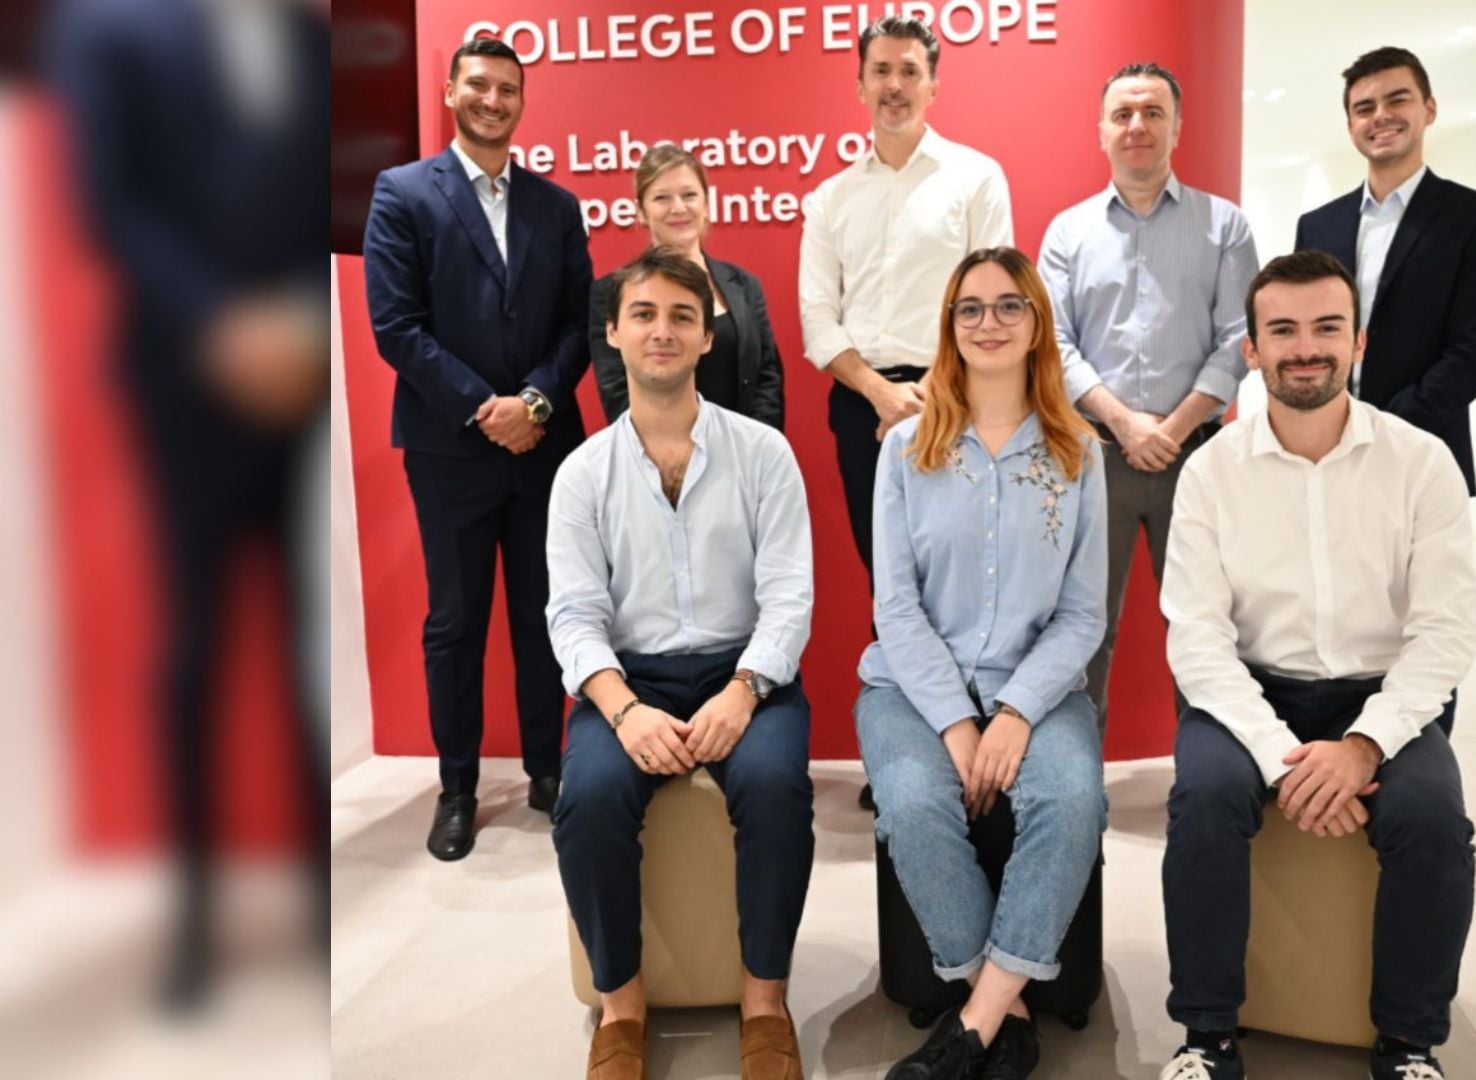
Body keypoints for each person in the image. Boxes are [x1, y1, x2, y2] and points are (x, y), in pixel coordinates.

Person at [45, 0, 331, 1008]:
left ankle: (317, 904)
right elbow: (108, 202)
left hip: (297, 381)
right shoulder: (110, 31)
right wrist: (220, 325)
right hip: (183, 382)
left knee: (302, 643)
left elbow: (317, 198)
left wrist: (302, 325)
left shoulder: (305, 39)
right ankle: (196, 921)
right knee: (195, 647)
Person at [1157, 252, 1476, 1080]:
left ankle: (1409, 1043)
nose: (1306, 348)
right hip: (1249, 691)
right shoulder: (1210, 471)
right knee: (1204, 800)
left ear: (1358, 341)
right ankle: (1205, 1038)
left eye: (1327, 328)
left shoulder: (1421, 462)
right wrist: (1284, 760)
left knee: (1434, 822)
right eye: (1283, 331)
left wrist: (1364, 748)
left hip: (1381, 694)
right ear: (1252, 350)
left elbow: (1445, 633)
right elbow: (1197, 639)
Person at [547, 249, 815, 1080]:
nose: (662, 330)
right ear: (615, 333)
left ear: (706, 338)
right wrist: (623, 710)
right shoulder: (581, 473)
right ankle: (621, 1010)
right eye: (645, 315)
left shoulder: (764, 454)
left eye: (682, 317)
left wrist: (745, 690)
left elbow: (789, 597)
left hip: (747, 673)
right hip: (628, 679)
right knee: (588, 800)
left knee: (775, 789)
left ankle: (764, 1004)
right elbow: (574, 614)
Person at [858, 248, 1108, 1080]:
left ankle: (973, 1027)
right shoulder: (904, 449)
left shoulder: (1079, 453)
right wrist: (956, 723)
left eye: (1009, 306)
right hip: (910, 687)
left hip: (1039, 688)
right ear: (949, 326)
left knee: (1073, 801)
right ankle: (1008, 1012)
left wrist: (1017, 711)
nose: (988, 322)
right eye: (970, 308)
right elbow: (896, 609)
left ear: (1037, 324)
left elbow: (1082, 615)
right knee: (913, 804)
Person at [363, 35, 593, 860]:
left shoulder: (555, 206)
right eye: (479, 86)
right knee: (456, 622)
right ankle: (457, 788)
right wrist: (483, 408)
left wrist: (534, 402)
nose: (493, 100)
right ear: (452, 93)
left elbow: (579, 324)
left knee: (545, 616)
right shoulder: (402, 193)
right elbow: (396, 327)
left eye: (508, 89)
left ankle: (548, 772)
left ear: (522, 101)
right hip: (449, 449)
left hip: (544, 444)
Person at [1037, 61, 1258, 739]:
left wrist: (1173, 428)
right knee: (1083, 630)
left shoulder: (1225, 226)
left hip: (1197, 456)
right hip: (1091, 456)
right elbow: (1053, 344)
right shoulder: (1068, 232)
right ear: (1101, 130)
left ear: (1177, 128)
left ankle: (1207, 777)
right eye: (1123, 114)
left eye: (1153, 113)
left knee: (1202, 631)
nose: (1137, 126)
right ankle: (1075, 781)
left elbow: (1239, 339)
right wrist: (1126, 423)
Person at [799, 14, 1014, 584]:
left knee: (966, 578)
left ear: (933, 86)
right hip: (861, 409)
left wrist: (931, 398)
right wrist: (881, 395)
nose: (894, 85)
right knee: (887, 580)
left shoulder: (976, 179)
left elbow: (994, 307)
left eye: (910, 71)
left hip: (959, 400)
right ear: (860, 86)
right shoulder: (830, 198)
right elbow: (818, 320)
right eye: (881, 71)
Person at [1295, 46, 1476, 495]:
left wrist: (1385, 428)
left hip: (1423, 449)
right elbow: (1304, 335)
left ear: (1429, 109)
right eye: (1364, 108)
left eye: (1397, 99)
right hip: (1323, 449)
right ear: (1350, 126)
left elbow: (1475, 350)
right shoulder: (1317, 225)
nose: (1381, 116)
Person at [587, 144, 785, 429]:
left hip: (746, 449)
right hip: (658, 451)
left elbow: (767, 378)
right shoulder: (611, 292)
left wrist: (753, 446)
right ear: (641, 211)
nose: (678, 208)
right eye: (662, 198)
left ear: (706, 204)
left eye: (689, 195)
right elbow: (617, 391)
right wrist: (681, 451)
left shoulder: (745, 285)